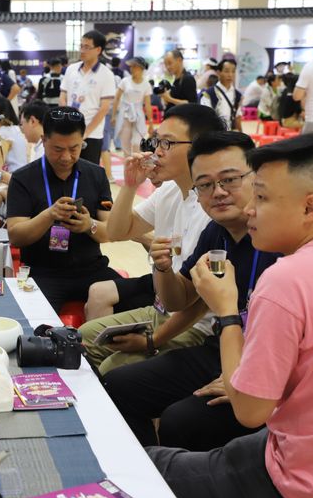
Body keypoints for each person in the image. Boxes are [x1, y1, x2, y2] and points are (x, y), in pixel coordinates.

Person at [148, 133, 313, 498]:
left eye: (261, 197)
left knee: (146, 467)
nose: (250, 209)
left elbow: (249, 410)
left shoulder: (287, 278)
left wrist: (225, 310)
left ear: (310, 207)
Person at [104, 131, 280, 453]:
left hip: (267, 362)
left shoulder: (281, 238)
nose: (218, 193)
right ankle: (149, 473)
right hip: (219, 349)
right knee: (118, 384)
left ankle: (186, 486)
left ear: (256, 178)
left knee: (180, 420)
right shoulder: (216, 231)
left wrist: (251, 379)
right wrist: (162, 268)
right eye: (205, 185)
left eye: (230, 180)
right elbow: (179, 300)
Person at [82, 105, 222, 372]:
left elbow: (193, 305)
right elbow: (117, 231)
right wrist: (131, 185)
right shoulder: (169, 190)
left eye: (167, 143)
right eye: (156, 140)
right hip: (162, 310)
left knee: (114, 367)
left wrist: (152, 341)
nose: (156, 150)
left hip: (196, 326)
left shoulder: (213, 209)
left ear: (199, 148)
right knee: (84, 338)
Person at [5, 106, 114, 312]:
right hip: (43, 273)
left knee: (140, 301)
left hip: (91, 270)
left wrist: (89, 225)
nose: (66, 157)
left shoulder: (97, 175)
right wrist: (49, 215)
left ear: (83, 141)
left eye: (74, 148)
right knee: (32, 325)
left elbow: (110, 232)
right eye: (57, 149)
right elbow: (16, 236)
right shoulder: (23, 178)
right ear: (44, 140)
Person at [59, 30, 117, 166]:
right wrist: (66, 118)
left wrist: (85, 132)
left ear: (98, 50)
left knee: (87, 175)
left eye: (87, 47)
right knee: (66, 171)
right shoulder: (71, 69)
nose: (82, 50)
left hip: (91, 135)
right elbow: (62, 97)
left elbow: (104, 108)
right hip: (69, 131)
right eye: (81, 46)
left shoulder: (106, 74)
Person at [111, 57, 153, 157]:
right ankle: (127, 168)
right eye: (131, 66)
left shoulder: (146, 84)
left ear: (141, 68)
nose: (132, 69)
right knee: (125, 143)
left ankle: (136, 167)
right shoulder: (125, 81)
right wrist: (113, 115)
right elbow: (116, 98)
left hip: (138, 115)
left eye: (135, 66)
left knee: (136, 143)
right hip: (125, 114)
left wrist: (151, 122)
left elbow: (147, 104)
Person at [200, 59, 242, 131]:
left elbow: (237, 117)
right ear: (218, 73)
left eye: (233, 71)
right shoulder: (209, 94)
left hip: (230, 135)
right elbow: (205, 118)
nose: (230, 75)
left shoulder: (237, 95)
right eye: (226, 71)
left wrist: (242, 135)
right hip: (214, 135)